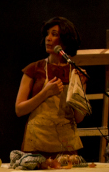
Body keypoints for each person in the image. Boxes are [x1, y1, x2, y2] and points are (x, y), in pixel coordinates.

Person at [15, 16, 87, 157]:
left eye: (54, 34)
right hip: (37, 143)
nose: (48, 38)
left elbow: (79, 118)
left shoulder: (75, 72)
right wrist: (45, 93)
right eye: (47, 34)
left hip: (66, 146)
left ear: (65, 41)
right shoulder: (34, 69)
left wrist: (80, 86)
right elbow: (19, 110)